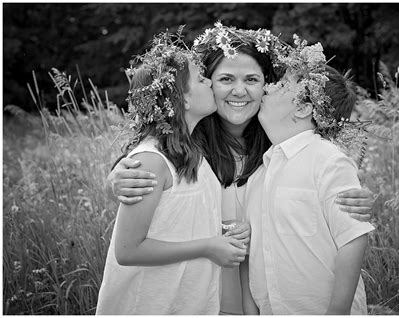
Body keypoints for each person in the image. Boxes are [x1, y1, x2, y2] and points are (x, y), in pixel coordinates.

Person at [106, 23, 375, 314]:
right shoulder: (186, 144)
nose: (239, 90)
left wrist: (356, 200)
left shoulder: (278, 149)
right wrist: (114, 181)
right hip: (192, 300)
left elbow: (331, 202)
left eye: (252, 79)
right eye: (224, 78)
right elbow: (147, 181)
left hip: (257, 304)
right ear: (206, 83)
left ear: (266, 85)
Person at [95, 32, 247, 315]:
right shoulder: (151, 161)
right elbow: (128, 251)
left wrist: (223, 232)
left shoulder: (193, 149)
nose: (210, 82)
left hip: (184, 302)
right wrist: (208, 246)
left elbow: (181, 216)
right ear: (182, 100)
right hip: (148, 305)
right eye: (201, 79)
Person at [240, 38, 375, 315]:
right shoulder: (259, 174)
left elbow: (353, 240)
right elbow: (251, 251)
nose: (268, 86)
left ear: (303, 108)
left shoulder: (328, 161)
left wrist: (336, 313)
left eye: (281, 85)